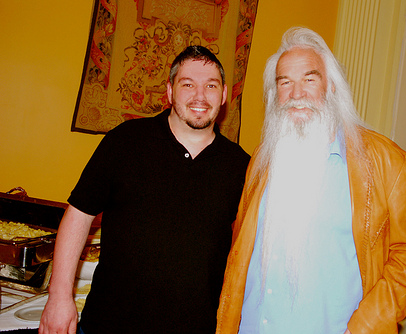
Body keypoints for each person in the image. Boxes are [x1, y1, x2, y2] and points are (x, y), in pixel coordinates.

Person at [215, 27, 406, 334]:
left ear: (331, 85)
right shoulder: (262, 159)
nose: (296, 94)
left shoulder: (389, 162)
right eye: (285, 83)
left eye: (309, 79)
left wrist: (365, 326)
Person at [39, 45, 250, 334]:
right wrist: (59, 297)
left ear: (224, 94)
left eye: (210, 86)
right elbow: (78, 216)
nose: (200, 96)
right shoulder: (124, 142)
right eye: (187, 84)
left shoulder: (242, 166)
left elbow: (247, 249)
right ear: (170, 91)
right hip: (110, 324)